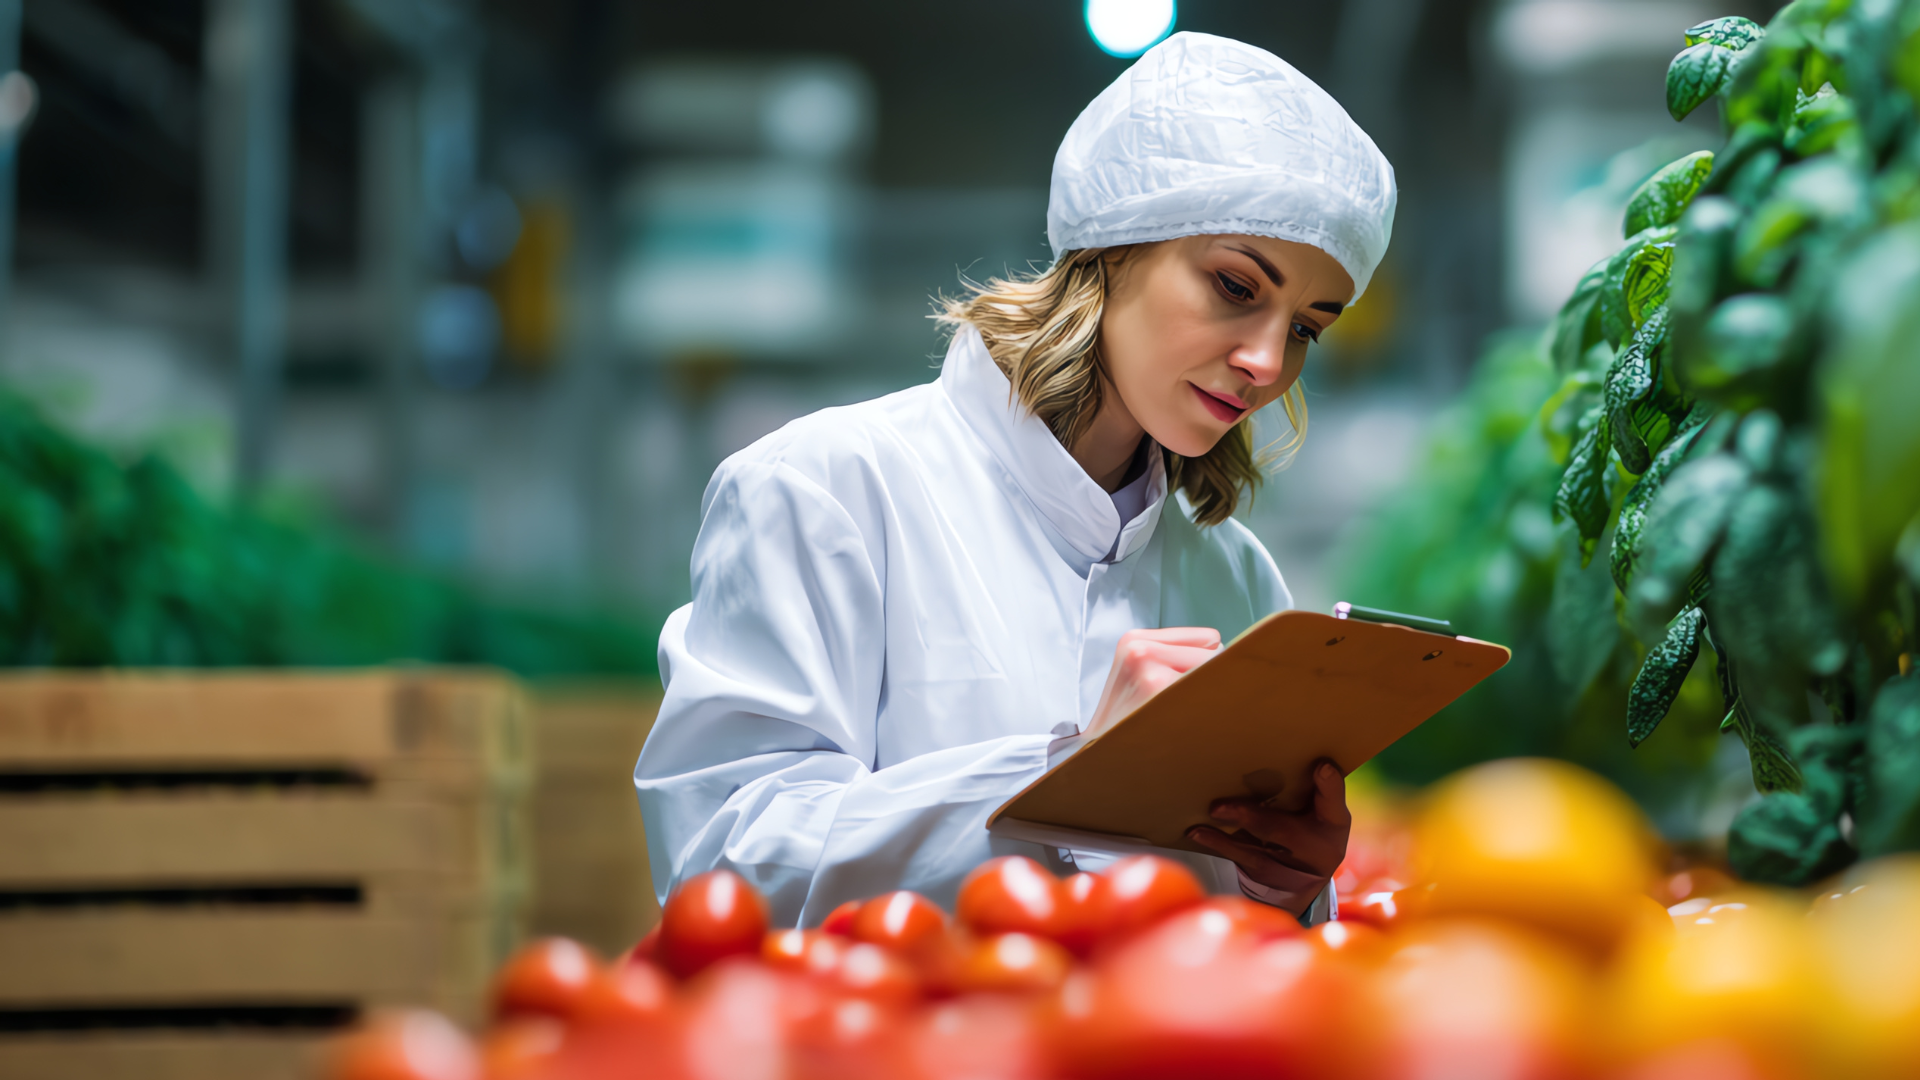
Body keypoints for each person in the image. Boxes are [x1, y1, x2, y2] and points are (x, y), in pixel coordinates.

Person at [635, 32, 1397, 928]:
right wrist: (1065, 778)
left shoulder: (1238, 577)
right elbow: (720, 873)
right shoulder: (825, 489)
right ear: (1113, 248)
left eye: (1308, 325)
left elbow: (1238, 952)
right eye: (1235, 285)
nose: (1268, 361)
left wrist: (1285, 884)